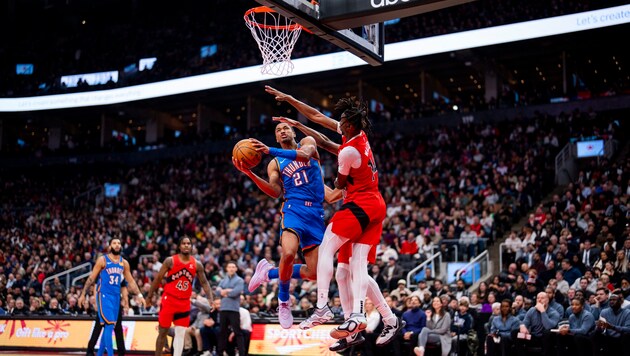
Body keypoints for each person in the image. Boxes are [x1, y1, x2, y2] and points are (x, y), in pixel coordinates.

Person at [266, 87, 403, 345]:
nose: (337, 124)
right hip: (372, 203)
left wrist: (316, 182)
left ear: (349, 126)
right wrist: (294, 107)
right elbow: (318, 119)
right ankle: (383, 320)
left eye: (341, 123)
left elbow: (336, 181)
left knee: (329, 245)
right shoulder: (356, 136)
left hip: (360, 204)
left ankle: (327, 309)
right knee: (345, 272)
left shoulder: (349, 151)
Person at [233, 121, 341, 329]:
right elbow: (275, 191)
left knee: (314, 273)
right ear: (276, 138)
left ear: (293, 132)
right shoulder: (274, 163)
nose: (282, 131)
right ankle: (283, 301)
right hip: (293, 209)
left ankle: (268, 273)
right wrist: (250, 173)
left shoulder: (307, 143)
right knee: (289, 253)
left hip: (316, 214)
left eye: (285, 128)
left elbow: (306, 156)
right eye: (278, 130)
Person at [146, 236, 214, 356]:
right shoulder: (170, 261)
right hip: (169, 300)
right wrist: (149, 297)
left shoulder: (197, 264)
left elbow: (204, 282)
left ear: (191, 247)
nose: (186, 245)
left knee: (180, 333)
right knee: (163, 332)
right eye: (184, 243)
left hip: (184, 303)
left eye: (189, 243)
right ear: (179, 246)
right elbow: (157, 279)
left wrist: (210, 299)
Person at [78, 238, 145, 356]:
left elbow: (131, 281)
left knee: (107, 325)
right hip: (103, 295)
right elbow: (91, 279)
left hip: (115, 297)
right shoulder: (102, 260)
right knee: (109, 325)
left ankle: (98, 353)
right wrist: (83, 295)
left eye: (119, 243)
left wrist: (139, 295)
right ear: (110, 246)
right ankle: (109, 353)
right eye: (114, 243)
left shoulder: (124, 263)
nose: (117, 245)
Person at [86, 283, 129, 356]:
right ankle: (91, 350)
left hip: (115, 302)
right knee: (99, 327)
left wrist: (126, 302)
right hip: (104, 301)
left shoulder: (121, 273)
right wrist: (97, 302)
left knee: (116, 327)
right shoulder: (102, 272)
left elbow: (123, 287)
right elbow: (97, 285)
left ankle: (120, 352)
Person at [216, 261, 246, 356]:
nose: (231, 269)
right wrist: (227, 291)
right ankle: (220, 352)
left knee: (237, 332)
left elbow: (235, 293)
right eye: (230, 267)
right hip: (223, 309)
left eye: (233, 267)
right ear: (227, 269)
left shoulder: (240, 280)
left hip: (233, 309)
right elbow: (217, 292)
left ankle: (242, 353)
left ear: (236, 269)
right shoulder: (223, 280)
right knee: (222, 332)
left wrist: (224, 292)